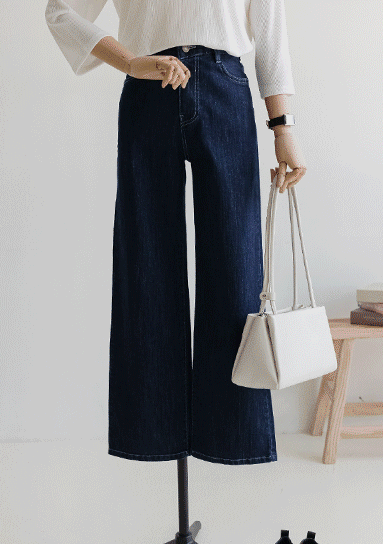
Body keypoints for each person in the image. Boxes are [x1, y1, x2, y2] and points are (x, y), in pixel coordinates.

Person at [45, 0, 307, 465]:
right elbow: (61, 11)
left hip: (226, 87)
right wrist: (129, 61)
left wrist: (282, 126)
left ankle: (233, 437)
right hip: (148, 89)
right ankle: (152, 434)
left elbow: (270, 30)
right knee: (145, 266)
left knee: (235, 269)